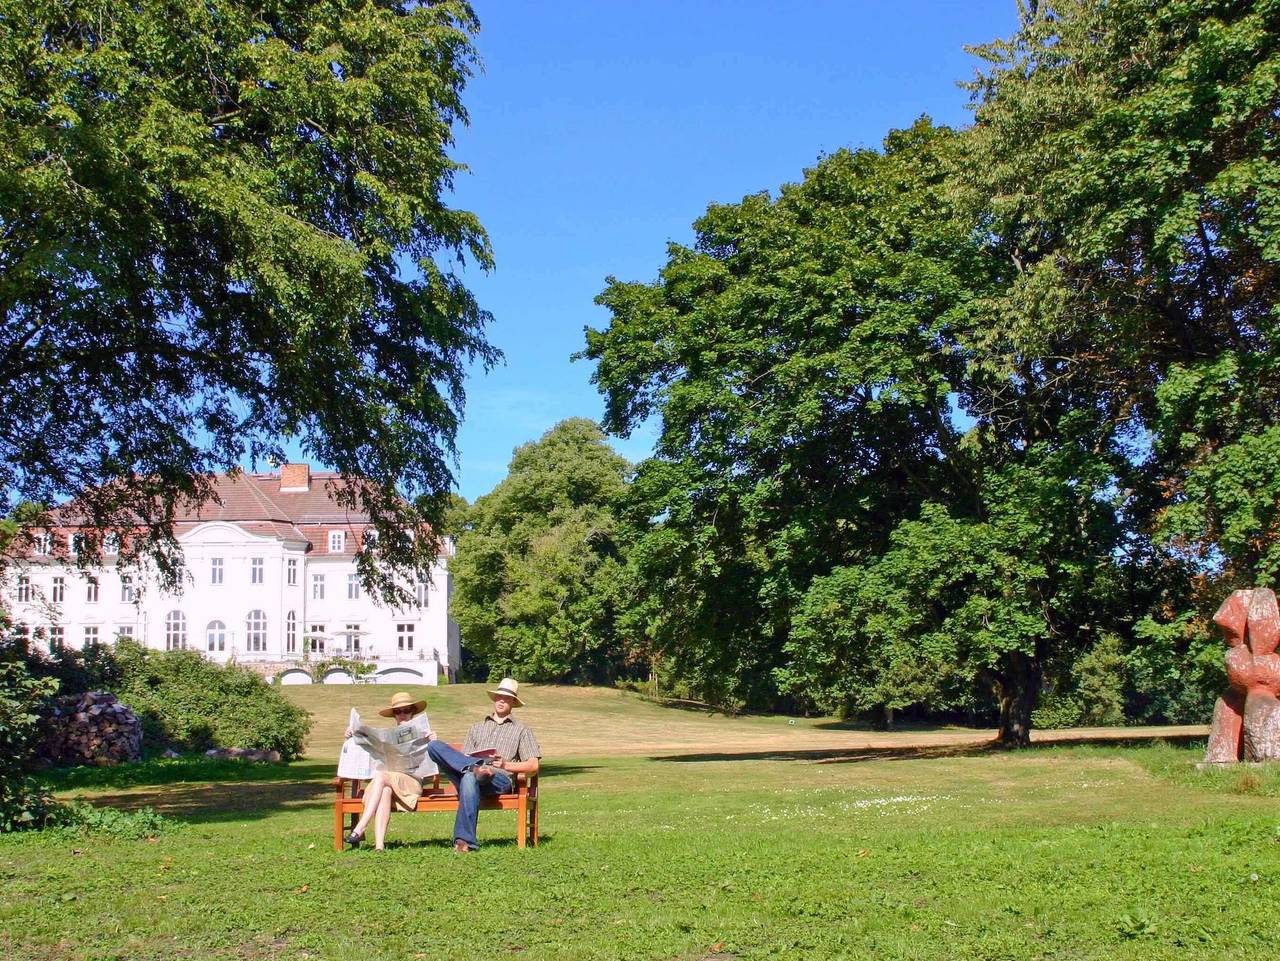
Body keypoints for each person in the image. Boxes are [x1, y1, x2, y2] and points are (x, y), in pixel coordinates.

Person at [426, 677, 541, 853]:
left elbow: (533, 765)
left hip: (498, 780)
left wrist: (505, 765)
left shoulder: (522, 730)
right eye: (499, 696)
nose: (502, 700)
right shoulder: (476, 728)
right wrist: (471, 763)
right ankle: (475, 768)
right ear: (494, 699)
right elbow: (463, 757)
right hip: (470, 774)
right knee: (435, 747)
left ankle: (463, 841)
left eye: (507, 698)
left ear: (513, 702)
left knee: (470, 777)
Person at [343, 690, 437, 851]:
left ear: (413, 712)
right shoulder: (386, 737)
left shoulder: (424, 733)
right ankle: (379, 846)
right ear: (394, 714)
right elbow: (355, 753)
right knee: (385, 789)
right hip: (386, 783)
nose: (402, 714)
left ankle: (360, 827)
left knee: (382, 777)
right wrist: (350, 737)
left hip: (410, 783)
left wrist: (435, 742)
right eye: (398, 711)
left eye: (406, 710)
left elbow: (436, 758)